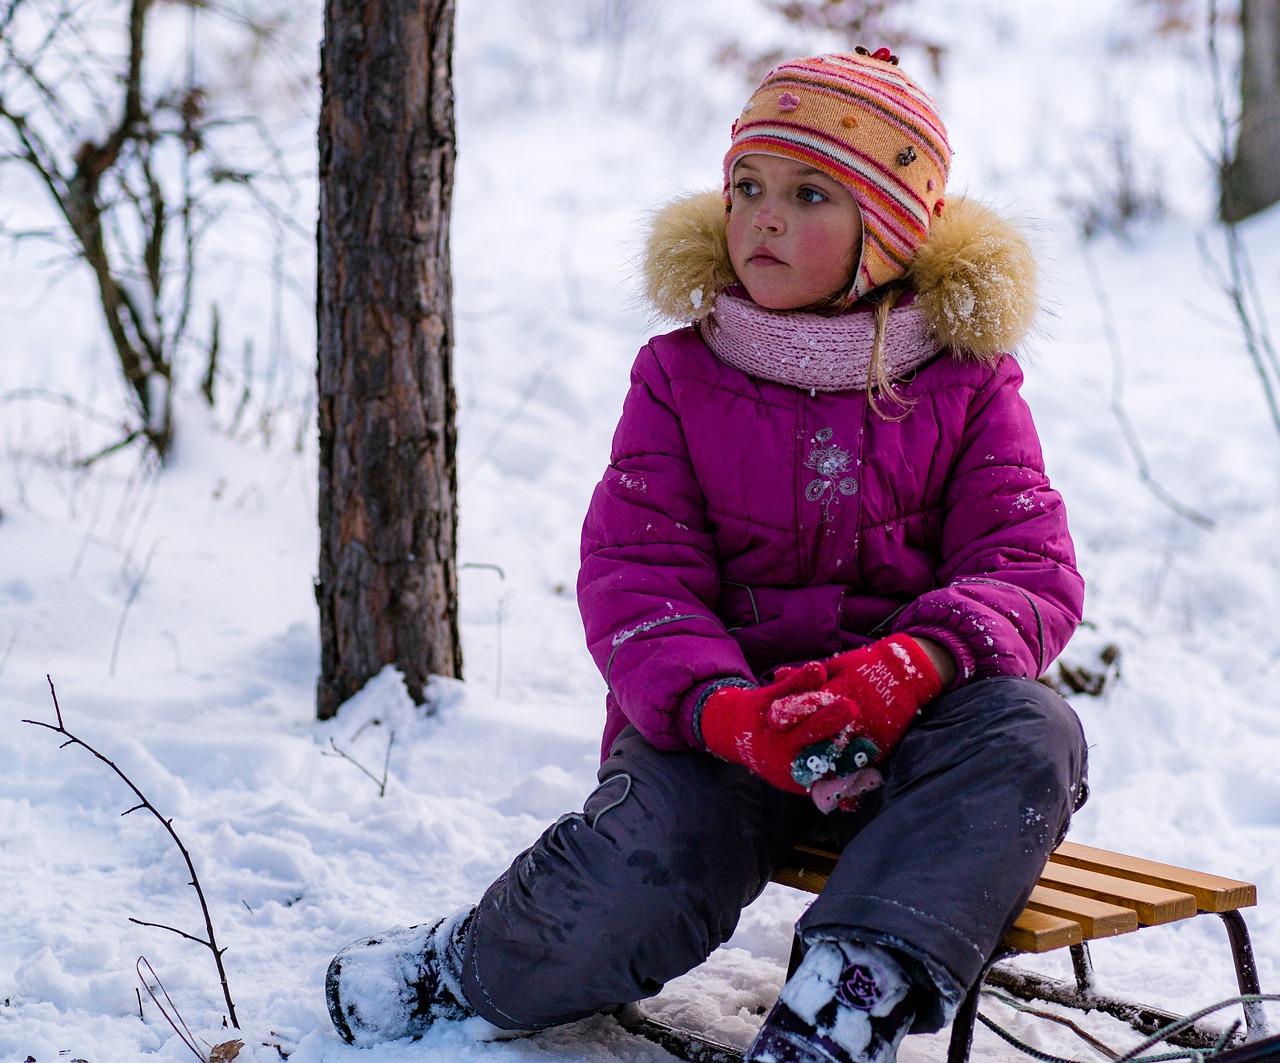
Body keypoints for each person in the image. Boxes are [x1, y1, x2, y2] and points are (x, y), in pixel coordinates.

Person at [325, 48, 1089, 1063]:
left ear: (890, 232)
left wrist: (907, 666)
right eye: (746, 186)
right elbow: (636, 575)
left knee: (1030, 731)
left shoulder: (965, 384)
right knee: (638, 871)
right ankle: (467, 965)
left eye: (808, 193)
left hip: (907, 726)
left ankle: (842, 1004)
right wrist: (725, 711)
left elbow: (1025, 564)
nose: (761, 217)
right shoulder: (680, 376)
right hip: (722, 729)